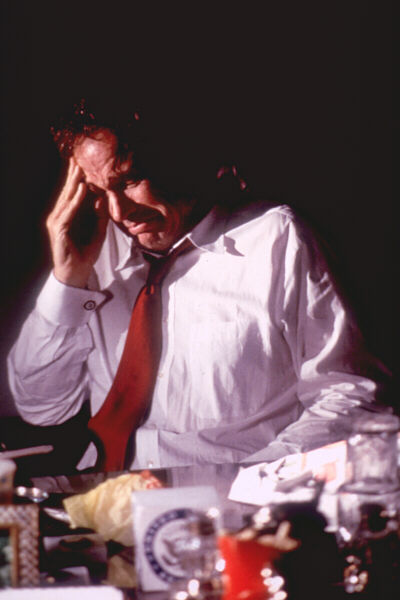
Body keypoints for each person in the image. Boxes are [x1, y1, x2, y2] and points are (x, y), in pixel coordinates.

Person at [7, 103, 388, 471]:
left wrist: (259, 478)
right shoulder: (93, 253)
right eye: (98, 192)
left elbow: (349, 392)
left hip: (230, 498)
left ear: (177, 161)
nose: (119, 212)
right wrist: (68, 281)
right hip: (103, 496)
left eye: (129, 181)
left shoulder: (276, 238)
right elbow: (42, 409)